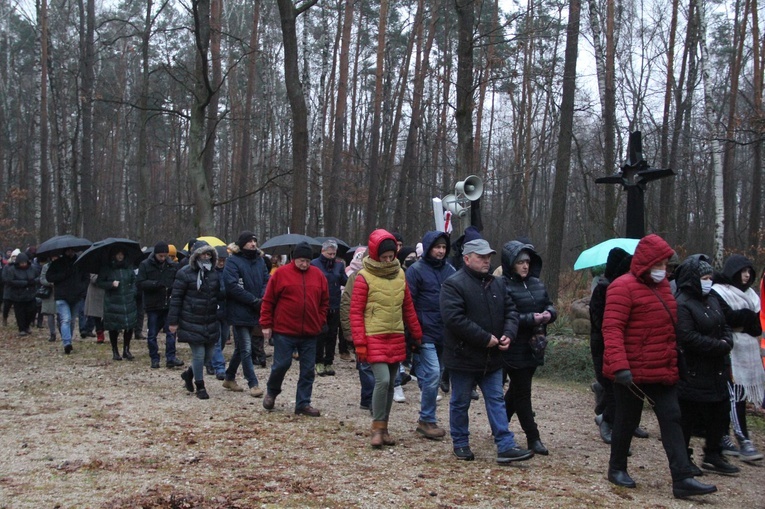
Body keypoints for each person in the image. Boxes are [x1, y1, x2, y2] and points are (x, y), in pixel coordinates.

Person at [602, 233, 716, 499]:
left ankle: (682, 478)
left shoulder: (664, 286)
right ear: (647, 262)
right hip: (629, 372)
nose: (663, 269)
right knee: (626, 421)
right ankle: (616, 468)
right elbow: (612, 329)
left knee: (672, 418)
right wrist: (620, 366)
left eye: (666, 265)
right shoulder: (622, 287)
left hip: (661, 368)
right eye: (659, 264)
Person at [439, 237, 533, 463]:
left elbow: (511, 311)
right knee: (460, 402)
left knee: (496, 400)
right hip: (463, 357)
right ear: (467, 258)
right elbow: (454, 319)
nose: (486, 261)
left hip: (492, 357)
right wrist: (485, 339)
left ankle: (505, 445)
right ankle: (460, 443)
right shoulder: (453, 284)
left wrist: (508, 335)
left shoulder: (498, 283)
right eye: (481, 257)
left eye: (488, 257)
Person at [351, 229, 423, 447]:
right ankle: (376, 427)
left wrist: (416, 333)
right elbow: (355, 312)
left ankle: (384, 428)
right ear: (375, 255)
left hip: (396, 334)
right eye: (384, 257)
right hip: (374, 335)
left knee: (392, 383)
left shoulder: (400, 274)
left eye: (391, 256)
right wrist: (359, 343)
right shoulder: (364, 277)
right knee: (382, 381)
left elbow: (407, 306)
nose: (388, 260)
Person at [674, 256, 739, 475]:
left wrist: (726, 342)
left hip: (716, 369)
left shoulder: (712, 298)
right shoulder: (682, 302)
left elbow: (725, 323)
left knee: (720, 413)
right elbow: (687, 336)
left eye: (710, 277)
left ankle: (713, 453)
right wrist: (717, 345)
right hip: (693, 370)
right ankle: (684, 458)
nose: (708, 281)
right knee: (688, 417)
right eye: (704, 277)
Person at [499, 240, 557, 456]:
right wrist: (529, 318)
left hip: (535, 344)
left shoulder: (537, 284)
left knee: (517, 390)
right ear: (511, 263)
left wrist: (549, 314)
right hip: (513, 346)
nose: (525, 265)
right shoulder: (502, 284)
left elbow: (549, 304)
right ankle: (533, 437)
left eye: (527, 262)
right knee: (523, 393)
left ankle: (500, 426)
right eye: (520, 262)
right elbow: (505, 315)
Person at [260, 242, 329, 416]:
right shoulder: (281, 274)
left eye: (307, 261)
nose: (304, 264)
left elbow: (324, 301)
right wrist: (266, 324)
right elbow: (268, 300)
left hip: (310, 331)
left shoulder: (318, 276)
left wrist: (320, 319)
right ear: (293, 259)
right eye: (301, 261)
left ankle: (303, 403)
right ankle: (272, 391)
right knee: (281, 365)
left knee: (307, 370)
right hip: (284, 330)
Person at [711, 254, 765, 462]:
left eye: (749, 272)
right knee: (733, 396)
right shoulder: (720, 292)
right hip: (728, 350)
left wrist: (743, 319)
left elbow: (755, 326)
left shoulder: (751, 295)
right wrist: (745, 318)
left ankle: (727, 437)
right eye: (742, 271)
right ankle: (739, 439)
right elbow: (726, 319)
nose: (746, 275)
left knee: (736, 396)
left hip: (747, 350)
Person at [405, 231, 454, 440]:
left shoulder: (451, 270)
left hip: (446, 332)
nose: (441, 251)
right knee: (433, 373)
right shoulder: (415, 271)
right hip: (424, 332)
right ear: (428, 248)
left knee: (435, 374)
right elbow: (408, 304)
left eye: (443, 247)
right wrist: (413, 333)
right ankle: (426, 419)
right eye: (437, 247)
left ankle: (427, 413)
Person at [169, 244, 222, 400]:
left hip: (210, 320)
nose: (206, 257)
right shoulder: (184, 273)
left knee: (209, 354)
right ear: (196, 256)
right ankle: (200, 385)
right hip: (191, 319)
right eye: (203, 255)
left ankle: (189, 374)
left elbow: (219, 294)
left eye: (209, 255)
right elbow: (176, 298)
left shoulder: (213, 274)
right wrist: (173, 321)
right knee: (198, 354)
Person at [590, 248, 631, 444]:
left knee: (619, 389)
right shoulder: (602, 288)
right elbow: (599, 320)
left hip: (617, 344)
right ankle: (606, 421)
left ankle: (611, 418)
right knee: (613, 388)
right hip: (602, 344)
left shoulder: (622, 287)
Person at [222, 231, 269, 398]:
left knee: (241, 348)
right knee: (247, 349)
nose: (253, 244)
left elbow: (266, 281)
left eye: (255, 241)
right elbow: (232, 286)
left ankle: (229, 377)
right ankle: (253, 383)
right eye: (249, 241)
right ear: (242, 244)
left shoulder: (260, 261)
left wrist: (263, 298)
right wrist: (254, 301)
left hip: (255, 308)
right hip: (239, 310)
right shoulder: (233, 261)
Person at [136, 242, 184, 369]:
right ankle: (154, 358)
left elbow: (177, 282)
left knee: (170, 332)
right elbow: (140, 283)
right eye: (160, 256)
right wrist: (156, 284)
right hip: (153, 304)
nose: (163, 258)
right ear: (155, 254)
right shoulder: (145, 265)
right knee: (152, 334)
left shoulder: (172, 266)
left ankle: (171, 358)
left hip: (168, 304)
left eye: (165, 256)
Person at [340, 247, 374, 413]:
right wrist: (349, 332)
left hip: (382, 329)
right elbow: (347, 303)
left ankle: (375, 397)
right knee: (366, 366)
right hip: (362, 329)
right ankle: (369, 398)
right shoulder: (355, 277)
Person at [312, 239, 348, 377]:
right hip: (320, 305)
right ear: (323, 251)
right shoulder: (315, 264)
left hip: (335, 304)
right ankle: (318, 361)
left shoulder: (339, 266)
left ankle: (329, 361)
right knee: (320, 334)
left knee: (332, 335)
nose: (332, 256)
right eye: (329, 254)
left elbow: (344, 280)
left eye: (334, 254)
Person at [46, 247, 90, 354]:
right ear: (64, 251)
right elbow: (49, 277)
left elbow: (86, 277)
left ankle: (68, 339)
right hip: (62, 296)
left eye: (72, 250)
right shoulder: (57, 263)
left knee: (71, 320)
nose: (70, 252)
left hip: (76, 296)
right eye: (68, 250)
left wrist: (81, 288)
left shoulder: (80, 262)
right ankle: (67, 343)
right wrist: (63, 275)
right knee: (65, 319)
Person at [97, 248, 138, 361]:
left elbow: (134, 280)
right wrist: (111, 284)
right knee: (113, 326)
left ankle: (126, 349)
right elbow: (99, 282)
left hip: (128, 300)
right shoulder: (107, 268)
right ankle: (115, 350)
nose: (120, 256)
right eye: (118, 254)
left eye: (122, 254)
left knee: (129, 325)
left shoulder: (128, 267)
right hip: (112, 301)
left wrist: (133, 291)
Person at [205, 245, 230, 380]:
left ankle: (209, 360)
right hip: (214, 309)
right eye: (219, 260)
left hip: (226, 310)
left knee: (223, 338)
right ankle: (220, 367)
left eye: (223, 260)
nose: (221, 263)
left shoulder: (229, 272)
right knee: (216, 339)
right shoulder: (209, 273)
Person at [2, 252, 39, 335]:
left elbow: (38, 277)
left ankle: (27, 326)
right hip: (17, 295)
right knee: (20, 313)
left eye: (25, 263)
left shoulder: (32, 268)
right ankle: (21, 328)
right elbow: (10, 281)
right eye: (21, 263)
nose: (23, 264)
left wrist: (33, 282)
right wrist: (24, 283)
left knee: (31, 310)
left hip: (30, 293)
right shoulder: (12, 269)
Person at [39, 255, 58, 342]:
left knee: (61, 315)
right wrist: (50, 283)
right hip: (49, 293)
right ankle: (52, 333)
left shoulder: (63, 266)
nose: (54, 258)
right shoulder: (46, 267)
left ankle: (63, 332)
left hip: (60, 292)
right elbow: (42, 279)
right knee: (50, 314)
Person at [83, 274, 106, 344]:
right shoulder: (94, 266)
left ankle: (101, 329)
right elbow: (93, 279)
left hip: (107, 292)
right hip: (95, 294)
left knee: (110, 314)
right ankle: (99, 333)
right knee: (97, 316)